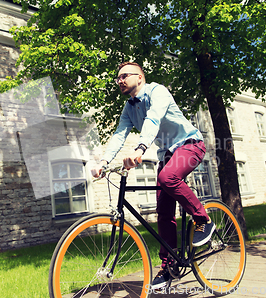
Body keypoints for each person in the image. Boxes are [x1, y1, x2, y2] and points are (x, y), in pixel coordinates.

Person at [92, 62, 215, 290]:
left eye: (124, 76)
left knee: (167, 178)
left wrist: (140, 148)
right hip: (168, 153)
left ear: (140, 77)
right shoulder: (129, 108)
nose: (119, 81)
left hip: (190, 145)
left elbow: (153, 119)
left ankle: (203, 219)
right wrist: (104, 162)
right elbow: (119, 135)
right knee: (163, 211)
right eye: (117, 78)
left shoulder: (158, 91)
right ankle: (169, 266)